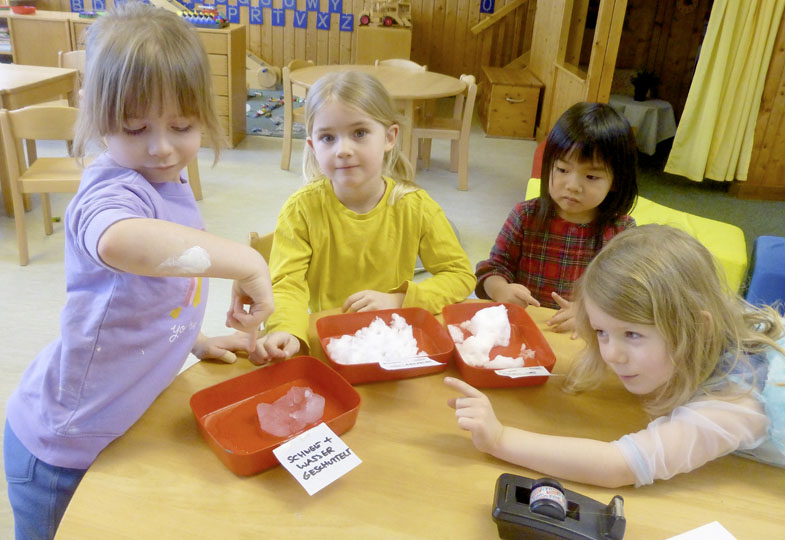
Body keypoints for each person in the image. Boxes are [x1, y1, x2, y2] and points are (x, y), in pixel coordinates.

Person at [3, 4, 274, 538]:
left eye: (182, 125)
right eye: (134, 127)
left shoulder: (164, 179)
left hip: (116, 428)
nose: (161, 147)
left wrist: (189, 338)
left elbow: (148, 286)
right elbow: (123, 243)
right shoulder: (111, 189)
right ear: (100, 119)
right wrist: (246, 261)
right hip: (61, 449)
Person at [446, 224, 785, 488]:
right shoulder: (710, 321)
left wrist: (501, 438)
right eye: (602, 331)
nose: (611, 353)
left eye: (632, 334)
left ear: (697, 326)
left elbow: (619, 465)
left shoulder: (736, 403)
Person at [253, 71, 476, 362]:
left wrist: (399, 300)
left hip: (393, 340)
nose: (343, 150)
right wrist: (287, 330)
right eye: (328, 137)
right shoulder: (301, 210)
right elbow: (286, 283)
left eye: (359, 133)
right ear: (312, 146)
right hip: (331, 341)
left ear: (389, 137)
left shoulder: (416, 207)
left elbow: (459, 276)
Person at [474, 102, 638, 335]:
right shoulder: (525, 216)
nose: (573, 186)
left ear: (616, 182)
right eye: (562, 170)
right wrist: (501, 289)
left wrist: (588, 312)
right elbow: (491, 269)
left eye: (591, 176)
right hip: (521, 328)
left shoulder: (620, 231)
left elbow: (626, 293)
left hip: (583, 336)